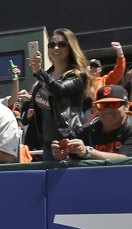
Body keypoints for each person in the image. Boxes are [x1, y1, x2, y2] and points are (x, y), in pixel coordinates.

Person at [24, 28, 93, 160]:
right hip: (48, 142)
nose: (56, 48)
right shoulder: (46, 75)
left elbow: (59, 91)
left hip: (70, 141)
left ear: (70, 48)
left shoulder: (78, 74)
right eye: (52, 44)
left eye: (62, 44)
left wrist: (39, 72)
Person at [51, 85, 132, 162]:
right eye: (102, 105)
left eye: (114, 104)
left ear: (126, 107)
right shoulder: (86, 130)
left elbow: (124, 159)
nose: (107, 110)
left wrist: (88, 152)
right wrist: (62, 155)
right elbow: (70, 158)